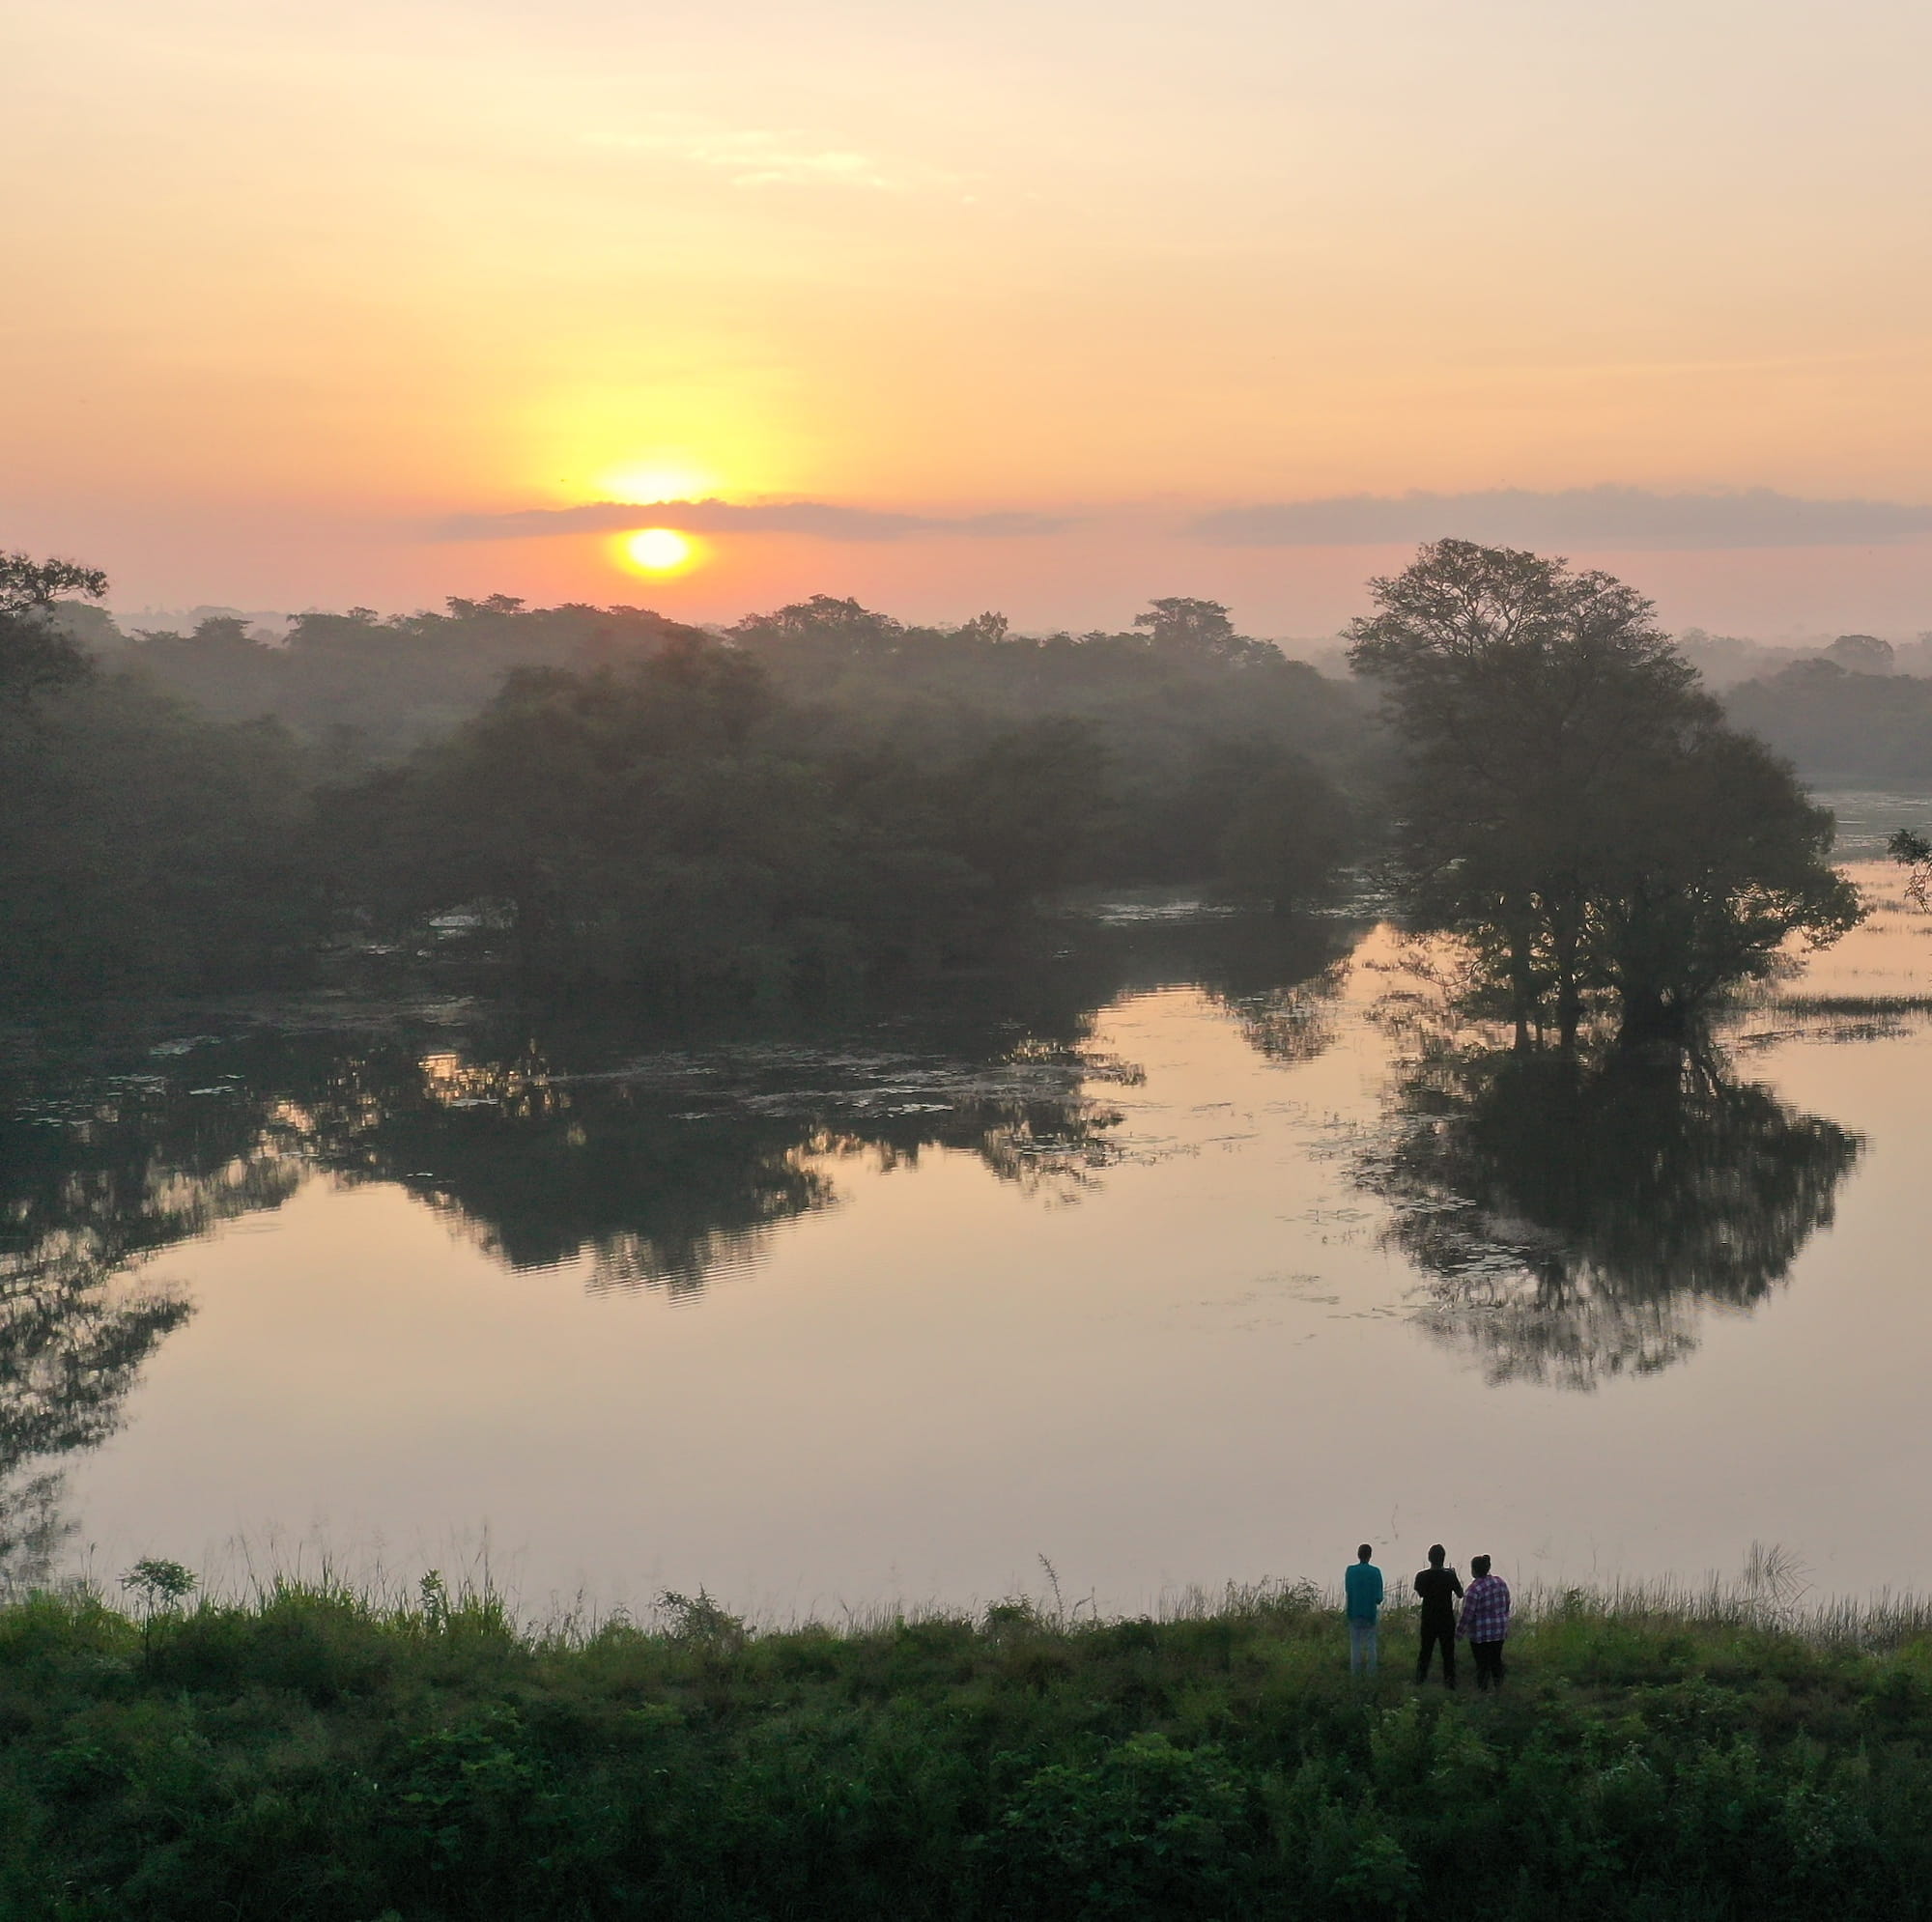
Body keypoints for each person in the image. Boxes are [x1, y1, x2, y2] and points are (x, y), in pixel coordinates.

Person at [1458, 1553, 1511, 1690]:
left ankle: (1483, 1692)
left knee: (1482, 1665)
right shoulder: (1500, 1582)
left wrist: (1459, 1633)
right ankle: (1500, 1689)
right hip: (1499, 1631)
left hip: (1480, 1635)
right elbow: (1506, 1604)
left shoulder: (1474, 1589)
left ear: (1473, 1570)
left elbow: (1467, 1615)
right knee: (1496, 1660)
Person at [1413, 1543, 1463, 1687]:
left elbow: (1421, 1593)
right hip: (1446, 1619)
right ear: (1443, 1558)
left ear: (1429, 1558)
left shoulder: (1422, 1576)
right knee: (1448, 1653)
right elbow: (1460, 1594)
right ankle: (1450, 1683)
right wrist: (1452, 1575)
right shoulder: (1449, 1576)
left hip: (1428, 1618)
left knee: (1425, 1651)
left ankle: (1420, 1680)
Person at [1344, 1543, 1383, 1676]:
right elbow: (1379, 1598)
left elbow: (1348, 1590)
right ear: (1370, 1556)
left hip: (1354, 1612)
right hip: (1370, 1614)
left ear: (1358, 1554)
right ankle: (1371, 1674)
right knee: (1371, 1644)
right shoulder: (1376, 1572)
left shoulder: (1350, 1571)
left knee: (1355, 1645)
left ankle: (1356, 1674)